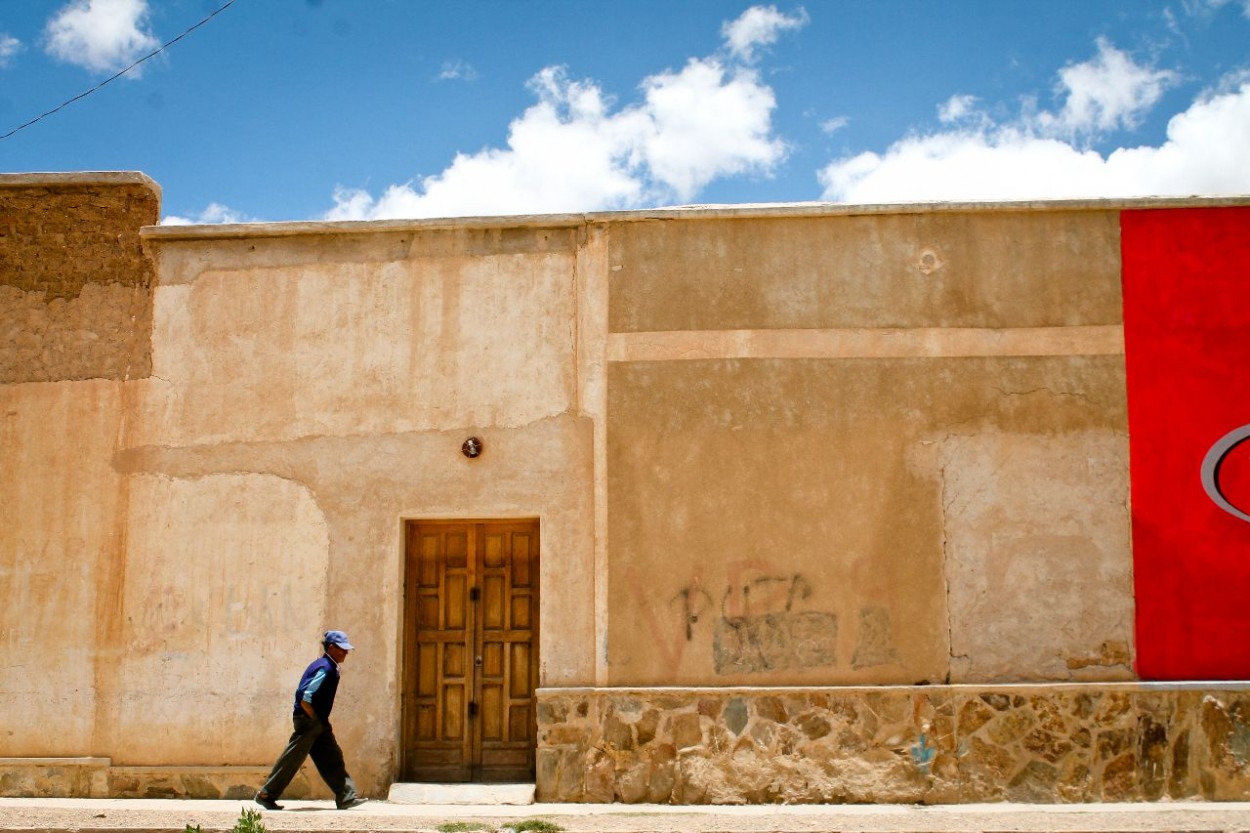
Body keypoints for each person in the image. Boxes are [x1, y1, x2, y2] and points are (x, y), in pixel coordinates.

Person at [255, 630, 368, 810]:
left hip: (318, 721)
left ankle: (346, 796)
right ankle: (266, 794)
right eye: (342, 649)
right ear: (331, 648)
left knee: (332, 756)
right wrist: (313, 718)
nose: (346, 653)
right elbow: (304, 695)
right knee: (293, 758)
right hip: (309, 721)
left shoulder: (329, 665)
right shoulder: (325, 667)